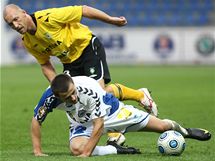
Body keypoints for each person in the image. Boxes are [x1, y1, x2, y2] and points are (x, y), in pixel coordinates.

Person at [3, 3, 158, 145]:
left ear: (23, 13)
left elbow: (83, 10)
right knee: (78, 97)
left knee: (99, 93)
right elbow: (45, 64)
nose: (15, 25)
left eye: (16, 19)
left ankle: (137, 97)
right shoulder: (28, 42)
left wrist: (111, 20)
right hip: (69, 62)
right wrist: (56, 85)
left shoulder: (49, 18)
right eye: (10, 24)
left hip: (87, 49)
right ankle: (115, 131)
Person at [31, 74, 211, 157]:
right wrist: (37, 151)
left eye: (73, 92)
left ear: (73, 84)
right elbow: (36, 120)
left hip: (114, 113)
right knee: (76, 149)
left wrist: (87, 154)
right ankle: (116, 149)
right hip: (82, 122)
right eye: (68, 97)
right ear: (57, 97)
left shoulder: (89, 89)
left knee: (162, 127)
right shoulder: (49, 97)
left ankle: (186, 131)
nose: (73, 97)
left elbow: (99, 125)